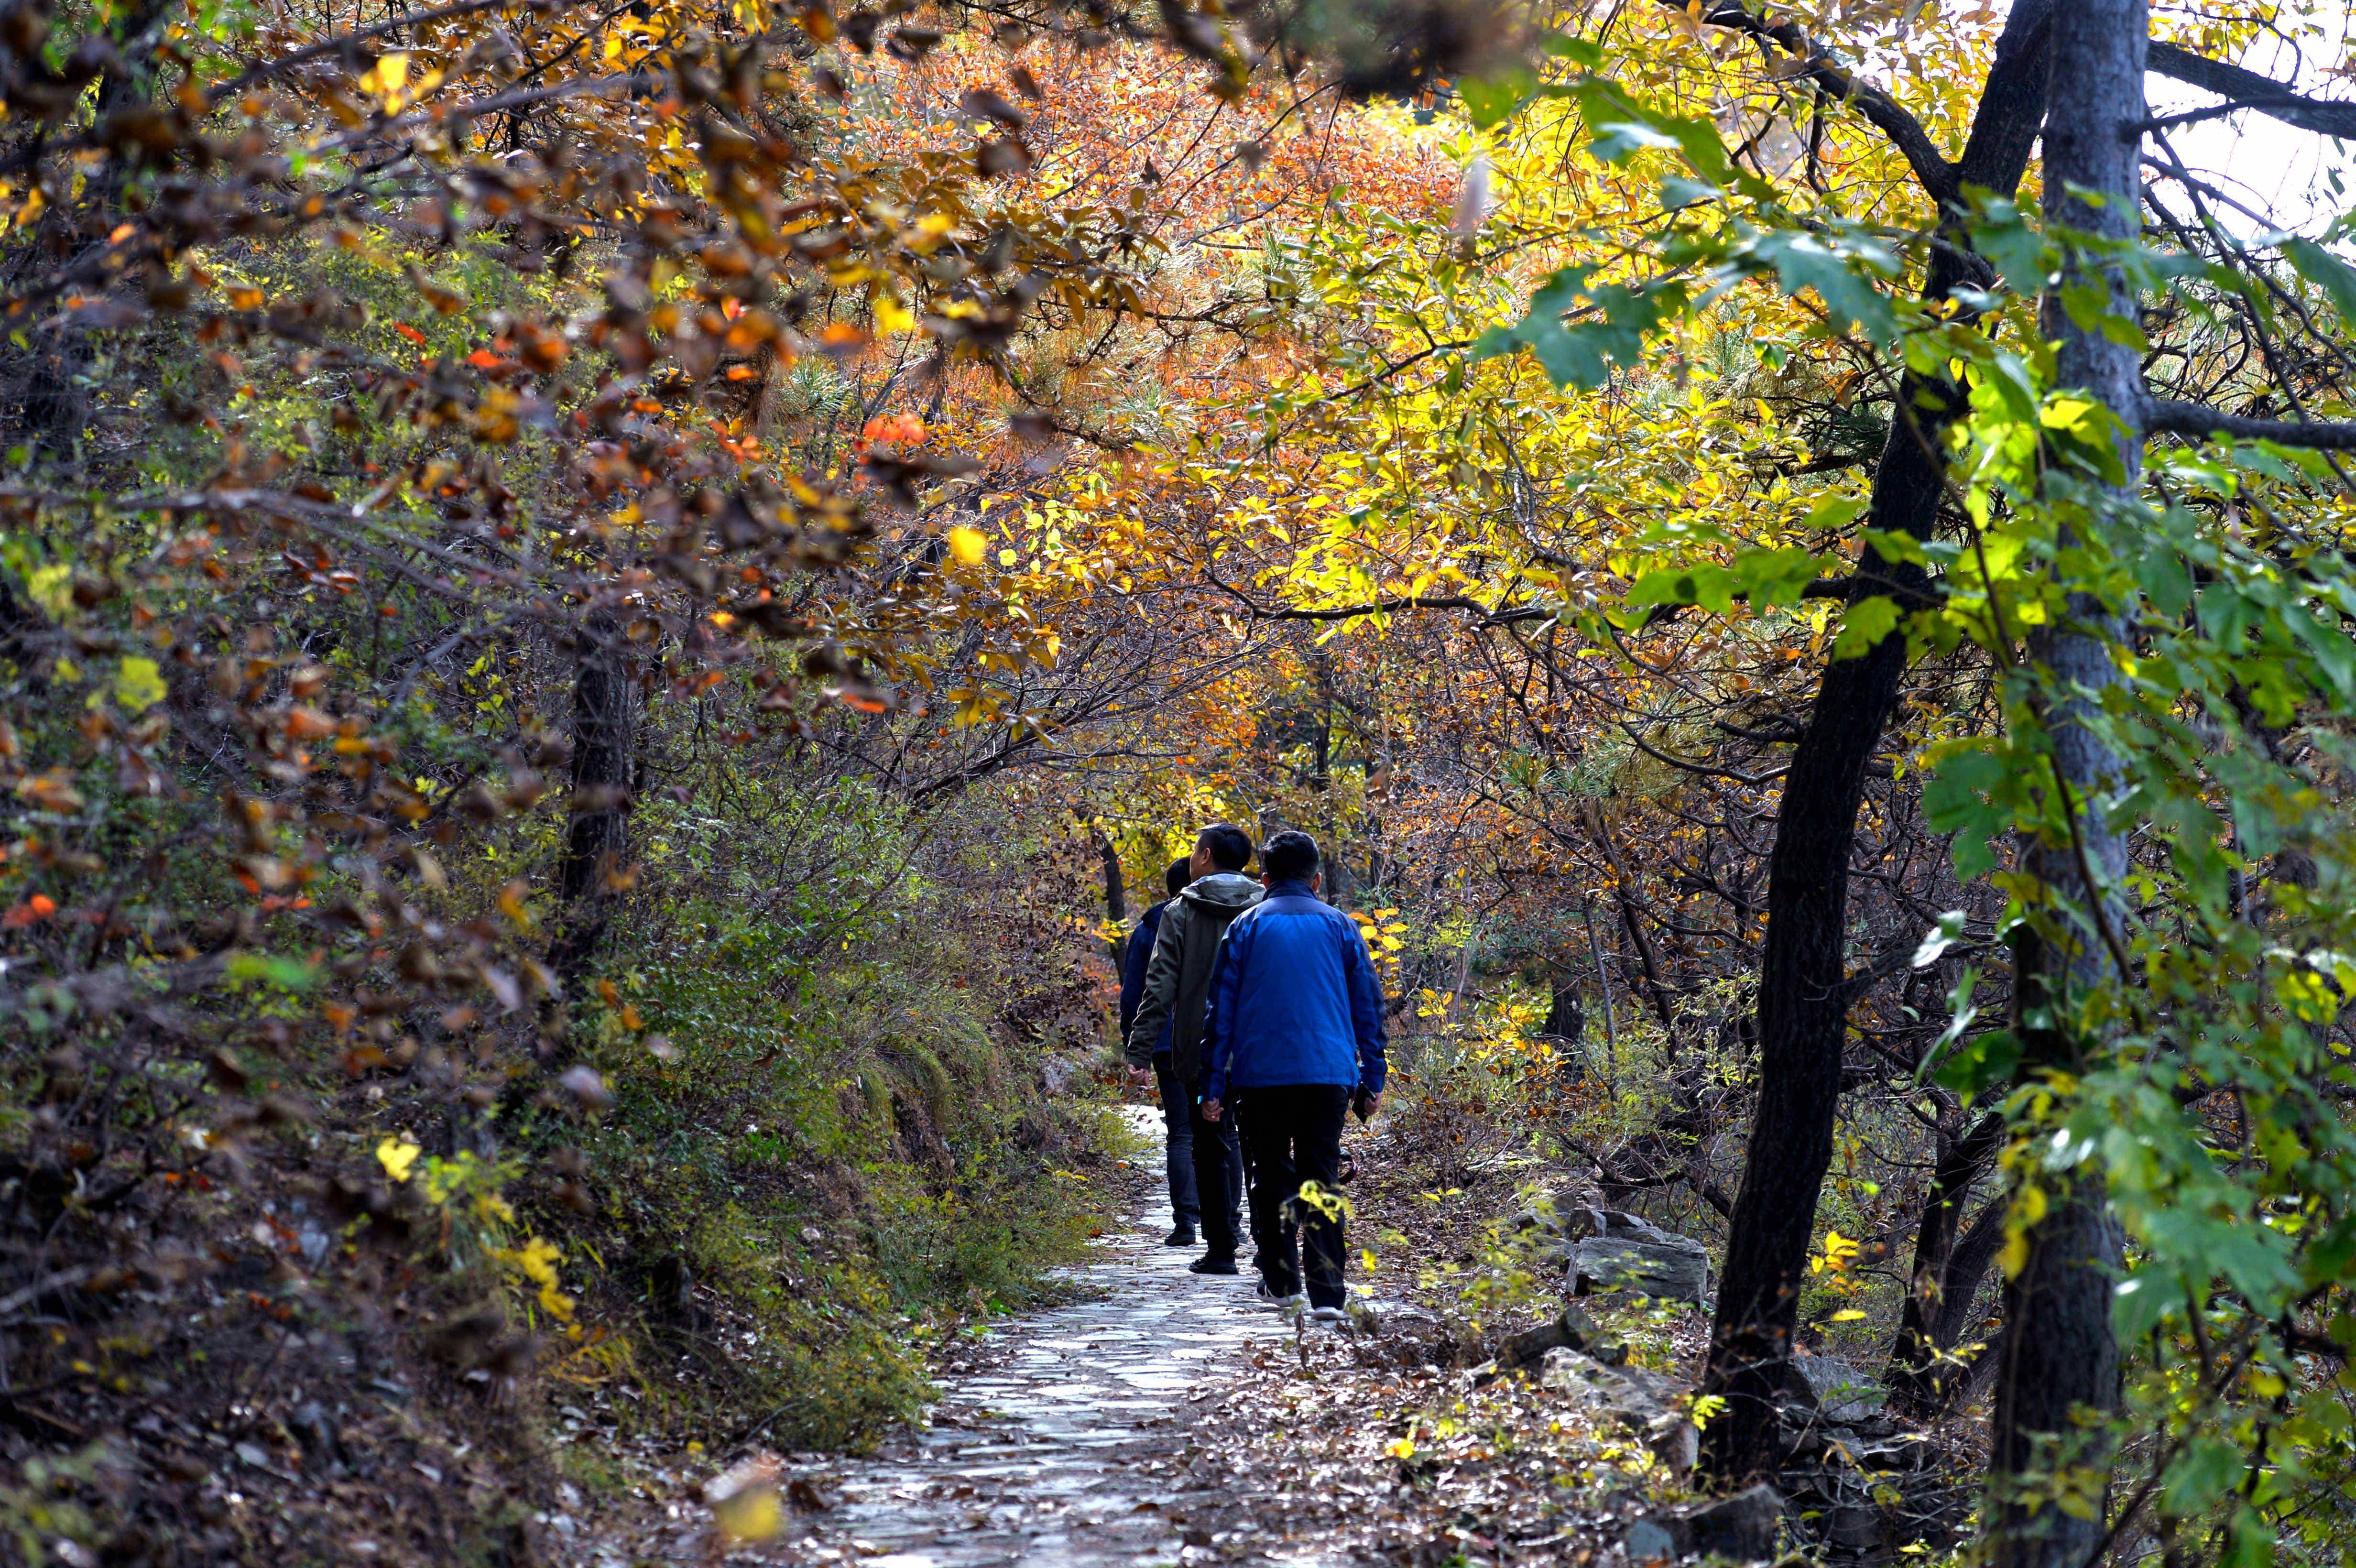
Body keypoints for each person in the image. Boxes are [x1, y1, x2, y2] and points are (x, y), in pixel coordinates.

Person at [1200, 830, 1386, 1323]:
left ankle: (1282, 1284)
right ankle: (1328, 1295)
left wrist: (1212, 1085)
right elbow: (1367, 1007)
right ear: (1317, 879)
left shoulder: (1244, 926)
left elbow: (1219, 1013)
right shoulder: (1342, 927)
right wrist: (1373, 1077)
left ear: (1263, 879)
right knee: (1320, 1177)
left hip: (1259, 1075)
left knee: (1268, 1175)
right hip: (1326, 1074)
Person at [1124, 823, 1259, 1274]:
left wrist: (1140, 1050)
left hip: (1199, 1050)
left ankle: (1221, 1250)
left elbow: (1158, 987)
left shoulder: (1180, 912)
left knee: (1207, 1144)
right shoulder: (1268, 905)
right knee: (1260, 1145)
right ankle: (1264, 1245)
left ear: (1203, 857)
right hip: (1261, 1048)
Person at [1120, 857, 1199, 1245]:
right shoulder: (1230, 920)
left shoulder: (1149, 927)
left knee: (1181, 1133)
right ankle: (1230, 1223)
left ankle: (1186, 1224)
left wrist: (1136, 1049)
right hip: (1216, 1042)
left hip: (1167, 1043)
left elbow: (1134, 992)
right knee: (1227, 1134)